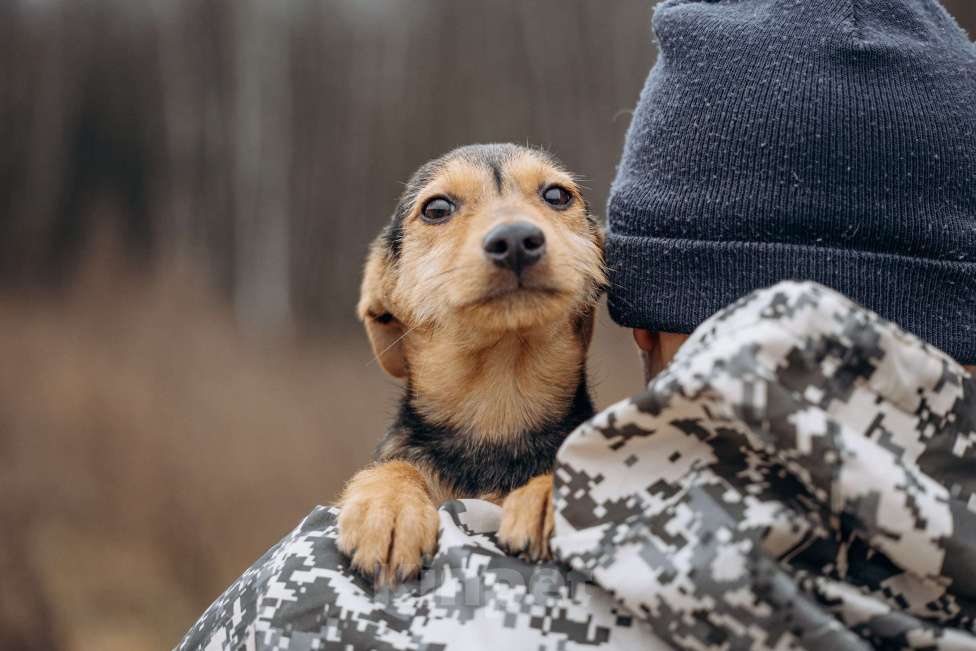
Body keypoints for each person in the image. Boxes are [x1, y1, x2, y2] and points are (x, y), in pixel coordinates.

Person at [177, 0, 975, 649]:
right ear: (384, 307)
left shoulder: (314, 608)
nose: (512, 232)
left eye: (555, 198)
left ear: (623, 314)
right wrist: (392, 479)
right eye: (441, 210)